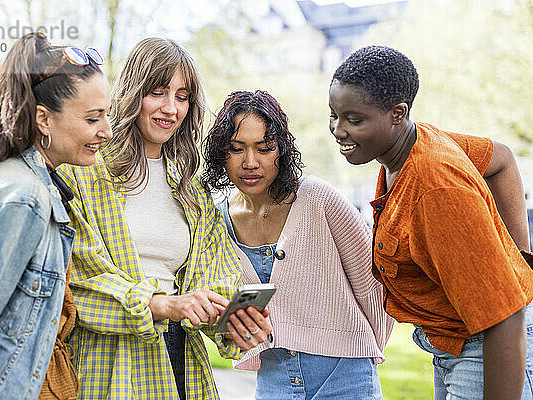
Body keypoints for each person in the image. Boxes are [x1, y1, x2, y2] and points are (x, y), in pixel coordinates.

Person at [57, 37, 271, 400]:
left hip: (179, 365)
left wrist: (230, 321)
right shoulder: (85, 173)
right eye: (158, 92)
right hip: (105, 365)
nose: (171, 108)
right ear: (132, 93)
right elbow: (78, 280)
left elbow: (215, 280)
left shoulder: (193, 192)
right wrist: (160, 304)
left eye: (182, 96)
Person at [329, 45, 533, 399]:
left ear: (397, 114)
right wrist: (522, 259)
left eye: (354, 120)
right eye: (333, 115)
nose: (338, 130)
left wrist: (518, 275)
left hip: (487, 351)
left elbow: (506, 317)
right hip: (451, 344)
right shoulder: (410, 145)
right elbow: (500, 159)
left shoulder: (435, 189)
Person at [0, 32, 111, 400]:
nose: (105, 132)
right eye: (93, 119)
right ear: (44, 119)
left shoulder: (16, 183)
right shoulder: (22, 200)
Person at [202, 90, 393, 399]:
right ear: (221, 154)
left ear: (281, 151)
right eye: (237, 149)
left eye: (264, 149)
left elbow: (374, 284)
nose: (250, 162)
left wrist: (357, 344)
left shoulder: (319, 199)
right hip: (274, 380)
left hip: (345, 376)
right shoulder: (216, 219)